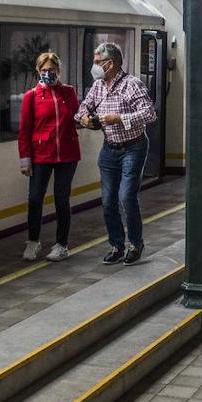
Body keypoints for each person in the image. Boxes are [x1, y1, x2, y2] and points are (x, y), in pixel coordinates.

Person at [75, 42, 157, 266]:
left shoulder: (132, 85)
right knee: (108, 201)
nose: (94, 65)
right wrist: (83, 118)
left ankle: (136, 243)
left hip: (134, 146)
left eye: (97, 62)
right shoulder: (98, 86)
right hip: (109, 148)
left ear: (110, 64)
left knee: (126, 196)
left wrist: (119, 118)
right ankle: (116, 245)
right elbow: (83, 107)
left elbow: (149, 113)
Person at [17, 52, 81, 262]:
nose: (47, 74)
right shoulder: (31, 96)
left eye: (51, 70)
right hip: (41, 155)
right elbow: (24, 130)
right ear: (38, 71)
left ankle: (61, 245)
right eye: (44, 70)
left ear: (58, 71)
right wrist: (25, 159)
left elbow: (78, 116)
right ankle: (33, 242)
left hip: (67, 155)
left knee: (62, 199)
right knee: (35, 198)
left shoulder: (69, 93)